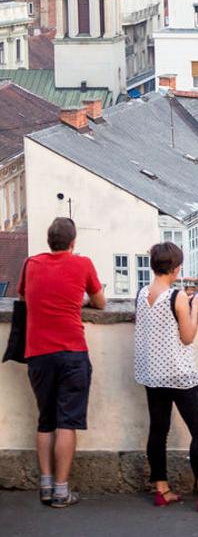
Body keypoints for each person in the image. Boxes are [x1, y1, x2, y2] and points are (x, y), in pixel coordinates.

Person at [133, 242, 198, 514]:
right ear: (176, 269)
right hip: (178, 373)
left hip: (152, 372)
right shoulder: (176, 296)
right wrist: (195, 307)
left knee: (158, 429)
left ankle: (161, 489)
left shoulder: (142, 293)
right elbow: (187, 336)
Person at [18, 217, 105, 509]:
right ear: (72, 242)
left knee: (45, 420)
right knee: (67, 422)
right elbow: (101, 302)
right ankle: (61, 490)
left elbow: (23, 296)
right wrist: (77, 301)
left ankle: (44, 485)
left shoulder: (31, 264)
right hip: (71, 351)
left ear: (48, 241)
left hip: (38, 353)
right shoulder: (82, 264)